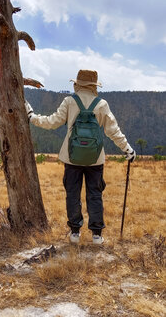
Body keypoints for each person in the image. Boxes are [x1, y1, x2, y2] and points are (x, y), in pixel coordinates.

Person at [25, 70, 136, 244]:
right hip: (95, 159)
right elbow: (113, 131)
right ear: (94, 86)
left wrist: (32, 117)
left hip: (71, 157)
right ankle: (97, 234)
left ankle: (75, 232)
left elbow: (52, 122)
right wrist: (127, 149)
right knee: (95, 194)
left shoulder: (70, 101)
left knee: (72, 194)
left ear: (77, 84)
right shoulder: (102, 104)